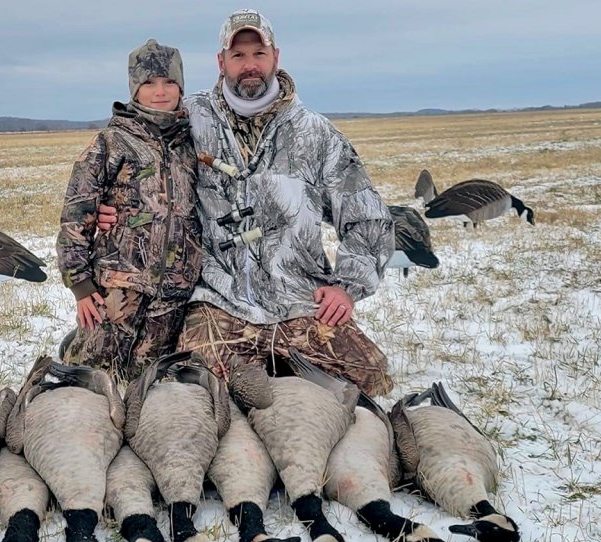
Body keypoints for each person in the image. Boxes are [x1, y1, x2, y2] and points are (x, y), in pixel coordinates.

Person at [99, 10, 394, 396]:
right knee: (190, 389)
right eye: (238, 56)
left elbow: (367, 219)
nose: (249, 65)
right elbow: (133, 148)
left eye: (259, 53)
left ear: (276, 57)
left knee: (372, 376)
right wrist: (115, 207)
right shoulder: (189, 120)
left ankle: (283, 368)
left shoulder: (314, 133)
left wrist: (346, 286)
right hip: (218, 300)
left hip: (299, 297)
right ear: (221, 63)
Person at [56, 39, 202, 381]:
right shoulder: (112, 142)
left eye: (169, 82)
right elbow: (77, 214)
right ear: (134, 88)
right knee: (89, 380)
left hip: (174, 294)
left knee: (151, 382)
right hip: (118, 289)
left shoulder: (192, 144)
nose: (160, 91)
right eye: (149, 83)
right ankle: (73, 348)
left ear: (181, 87)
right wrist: (81, 286)